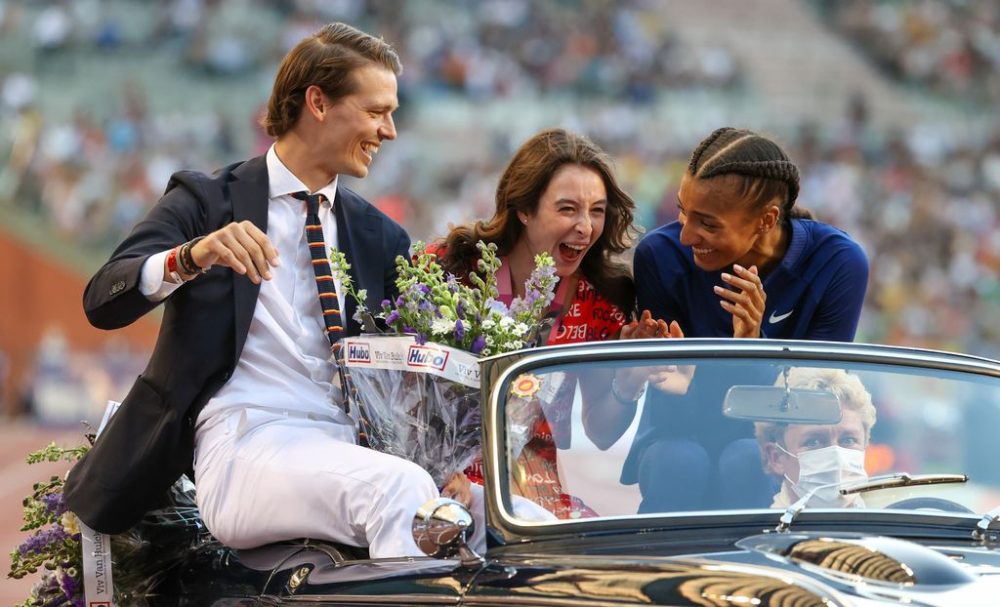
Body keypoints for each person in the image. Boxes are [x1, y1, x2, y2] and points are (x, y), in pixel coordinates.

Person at [64, 23, 440, 558]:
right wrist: (190, 256)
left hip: (347, 448)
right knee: (403, 492)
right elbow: (102, 300)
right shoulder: (207, 199)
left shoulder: (383, 237)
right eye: (377, 111)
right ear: (318, 102)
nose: (391, 130)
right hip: (244, 443)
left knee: (483, 518)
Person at [622, 126, 870, 512]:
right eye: (683, 212)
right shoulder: (661, 256)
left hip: (781, 444)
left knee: (747, 460)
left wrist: (754, 344)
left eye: (707, 223)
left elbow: (818, 405)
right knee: (678, 461)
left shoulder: (837, 263)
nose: (686, 236)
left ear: (767, 220)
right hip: (679, 435)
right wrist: (677, 381)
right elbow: (672, 416)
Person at [433, 127, 674, 521]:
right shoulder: (451, 268)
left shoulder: (603, 300)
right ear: (524, 209)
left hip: (534, 486)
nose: (585, 227)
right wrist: (443, 472)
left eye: (596, 210)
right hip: (443, 475)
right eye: (567, 209)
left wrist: (629, 380)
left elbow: (601, 432)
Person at [755, 368, 876, 508]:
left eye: (848, 440)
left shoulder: (893, 525)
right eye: (813, 442)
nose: (836, 457)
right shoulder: (764, 529)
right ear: (776, 458)